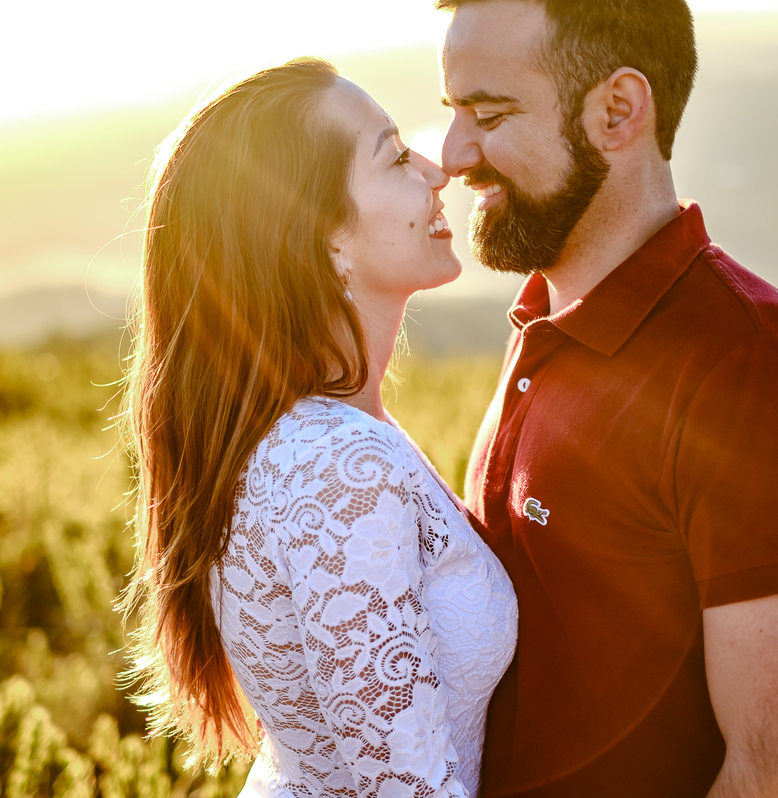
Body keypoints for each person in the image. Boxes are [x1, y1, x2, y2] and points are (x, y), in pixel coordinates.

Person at [436, 0, 778, 796]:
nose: (453, 152)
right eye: (453, 113)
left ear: (617, 111)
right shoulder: (546, 312)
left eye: (489, 114)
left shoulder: (757, 373)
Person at [120, 58, 518, 798]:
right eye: (396, 157)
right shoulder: (336, 466)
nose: (437, 172)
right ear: (324, 239)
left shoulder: (320, 435)